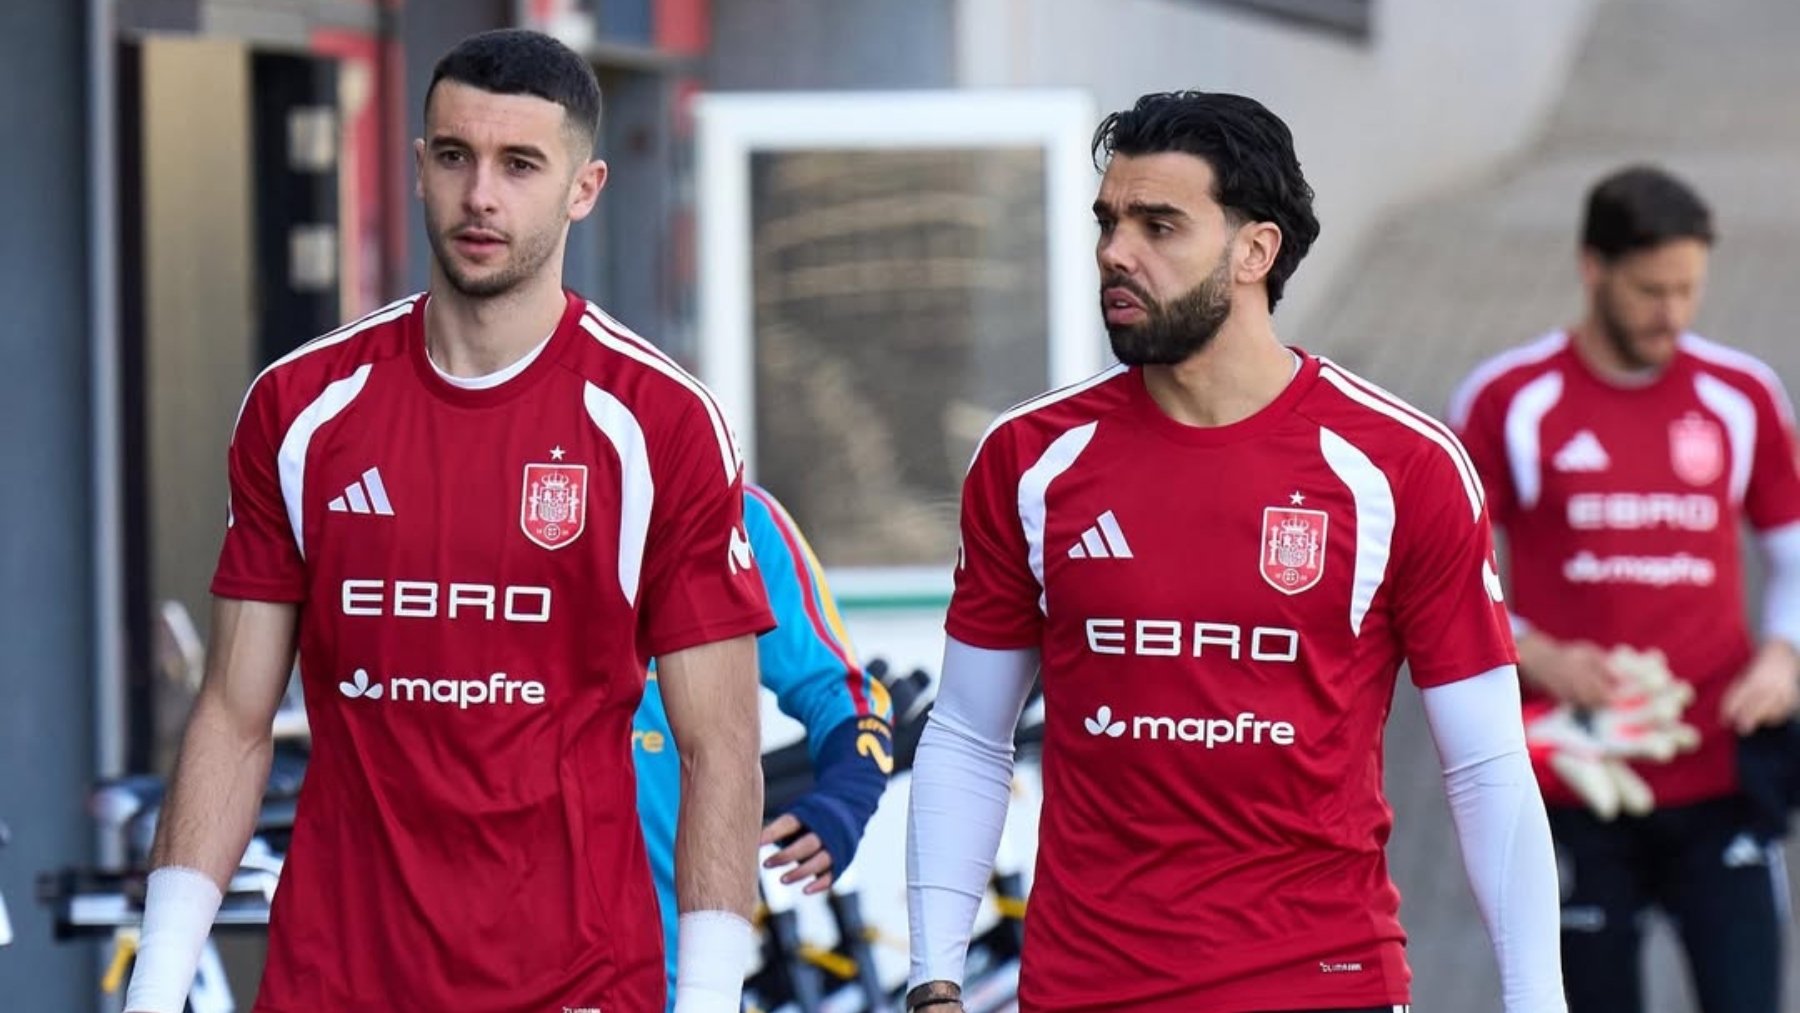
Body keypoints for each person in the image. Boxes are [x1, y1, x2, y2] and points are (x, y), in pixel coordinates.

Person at [123, 28, 772, 1013]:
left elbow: (717, 745)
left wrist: (712, 997)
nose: (481, 195)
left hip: (577, 981)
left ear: (585, 188)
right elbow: (234, 715)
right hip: (337, 982)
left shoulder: (659, 422)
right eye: (458, 157)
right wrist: (156, 982)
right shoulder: (301, 409)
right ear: (419, 167)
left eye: (521, 165)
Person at [904, 90, 1566, 1013]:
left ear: (1256, 250)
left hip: (1323, 986)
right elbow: (970, 736)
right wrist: (933, 980)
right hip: (1083, 989)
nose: (1116, 253)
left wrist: (1538, 1001)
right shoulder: (1028, 459)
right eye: (1108, 223)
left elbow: (1486, 764)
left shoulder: (1400, 465)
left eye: (1158, 225)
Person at [1448, 164, 1800, 1013]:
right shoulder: (1508, 399)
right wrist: (1533, 650)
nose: (1671, 313)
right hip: (1571, 780)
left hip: (1719, 774)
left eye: (1688, 289)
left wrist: (1784, 657)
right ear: (1592, 267)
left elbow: (1794, 554)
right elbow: (1445, 574)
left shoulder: (1742, 395)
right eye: (1650, 290)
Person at [635, 481, 895, 1010]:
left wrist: (845, 797)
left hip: (672, 977)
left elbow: (847, 699)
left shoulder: (733, 512)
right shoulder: (492, 493)